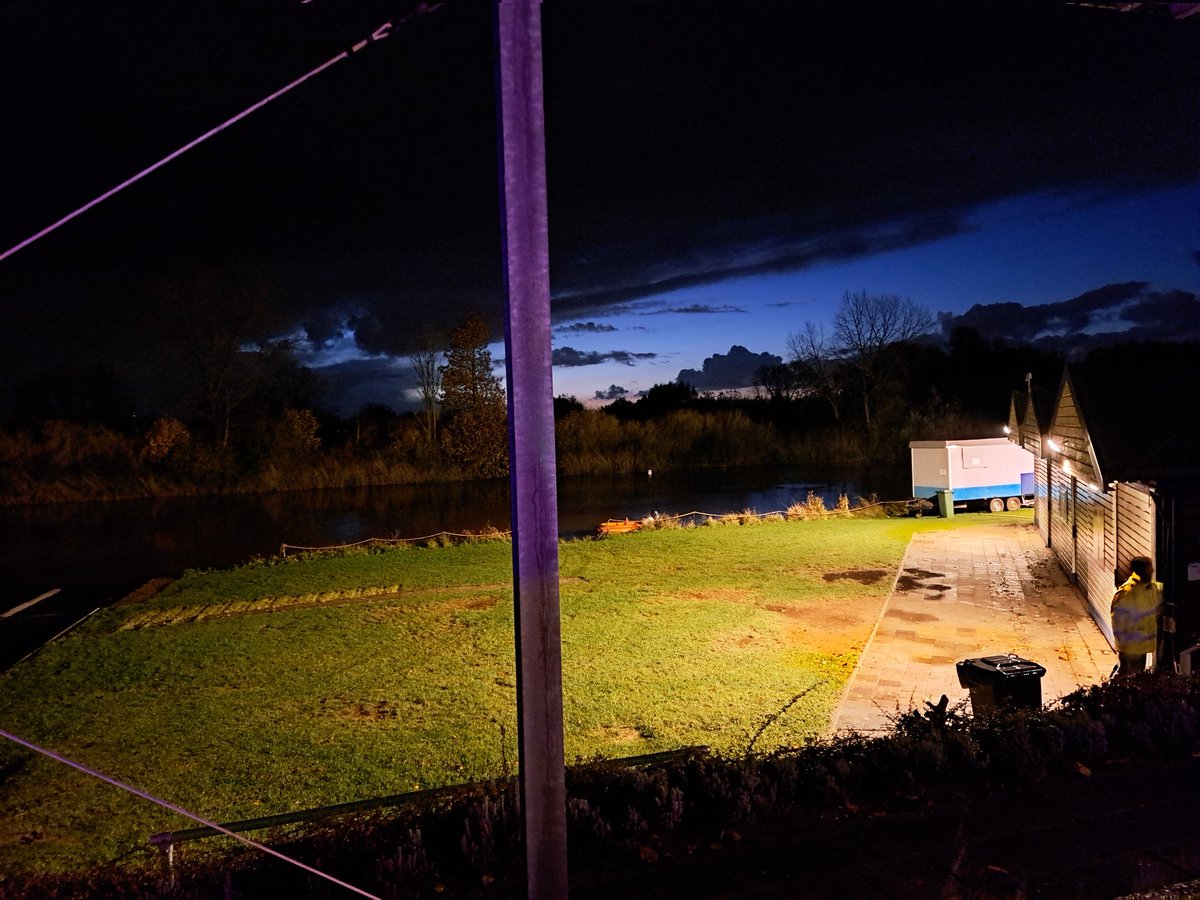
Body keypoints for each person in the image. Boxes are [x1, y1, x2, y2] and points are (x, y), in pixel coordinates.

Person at [1111, 556, 1164, 676]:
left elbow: (1158, 590)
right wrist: (1123, 647)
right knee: (1131, 677)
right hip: (1131, 648)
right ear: (1144, 570)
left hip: (1141, 646)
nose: (1152, 570)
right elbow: (1117, 620)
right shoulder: (1127, 592)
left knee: (1133, 676)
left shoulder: (1149, 588)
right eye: (1150, 567)